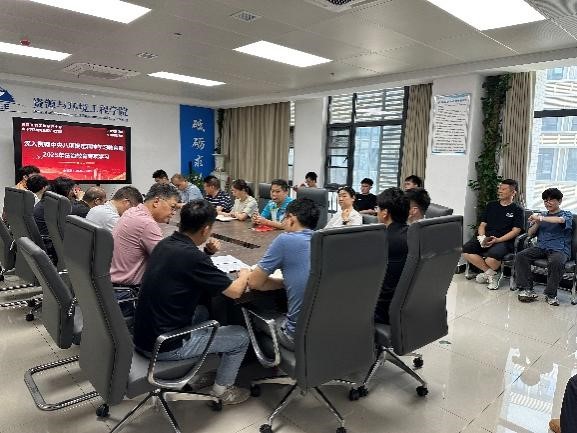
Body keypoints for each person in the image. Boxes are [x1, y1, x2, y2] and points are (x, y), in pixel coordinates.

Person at [133, 199, 251, 405]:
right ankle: (222, 391)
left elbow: (186, 268)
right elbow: (234, 292)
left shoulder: (164, 244)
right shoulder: (193, 257)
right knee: (240, 336)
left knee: (203, 311)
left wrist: (207, 253)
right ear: (206, 229)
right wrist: (244, 274)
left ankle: (201, 369)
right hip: (165, 346)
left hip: (143, 336)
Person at [248, 198, 320, 349]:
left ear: (292, 219)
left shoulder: (285, 240)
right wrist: (287, 282)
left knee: (248, 317)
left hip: (296, 337)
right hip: (328, 332)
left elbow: (254, 283)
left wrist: (244, 274)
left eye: (284, 218)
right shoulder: (323, 242)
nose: (282, 222)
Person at [110, 183, 179, 288]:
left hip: (113, 285)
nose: (173, 213)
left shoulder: (132, 211)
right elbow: (168, 261)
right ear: (156, 202)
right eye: (172, 207)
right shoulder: (146, 223)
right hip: (129, 292)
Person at [462, 179, 523, 290]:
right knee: (466, 249)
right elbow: (482, 225)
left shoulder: (517, 209)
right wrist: (482, 238)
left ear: (513, 192)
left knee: (491, 259)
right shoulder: (491, 205)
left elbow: (516, 231)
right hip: (487, 237)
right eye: (499, 188)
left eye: (503, 189)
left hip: (504, 240)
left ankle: (488, 274)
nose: (500, 191)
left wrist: (498, 240)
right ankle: (492, 274)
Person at [516, 188, 573, 305]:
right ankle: (527, 289)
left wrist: (540, 218)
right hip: (541, 247)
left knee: (556, 262)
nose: (548, 203)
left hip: (559, 249)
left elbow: (560, 220)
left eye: (551, 200)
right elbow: (530, 233)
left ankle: (550, 294)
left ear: (560, 201)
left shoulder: (566, 214)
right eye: (545, 201)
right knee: (521, 256)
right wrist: (537, 222)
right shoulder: (541, 216)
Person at [374, 187, 409, 325]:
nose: (376, 212)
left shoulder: (381, 241)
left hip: (383, 311)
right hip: (408, 308)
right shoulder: (415, 235)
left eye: (378, 208)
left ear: (385, 213)